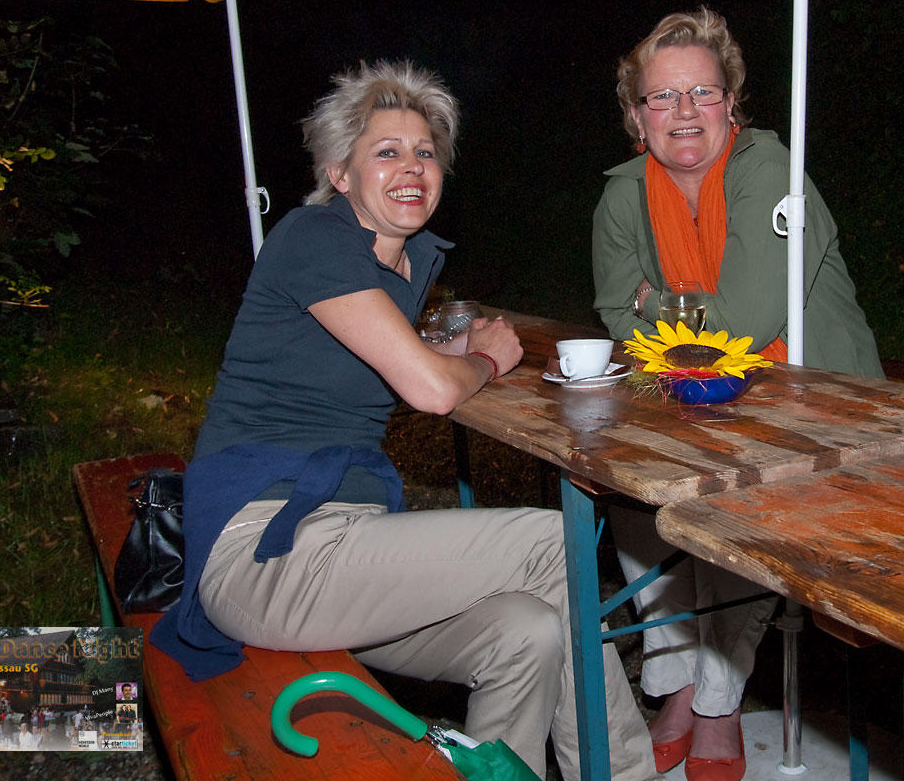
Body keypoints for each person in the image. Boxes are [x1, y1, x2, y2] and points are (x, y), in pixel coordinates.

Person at [152, 60, 656, 781]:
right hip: (267, 555)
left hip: (341, 547)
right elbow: (431, 391)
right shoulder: (312, 235)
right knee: (553, 543)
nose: (413, 166)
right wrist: (480, 360)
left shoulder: (401, 261)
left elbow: (376, 360)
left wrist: (447, 352)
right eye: (386, 151)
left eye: (426, 152)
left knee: (531, 631)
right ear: (340, 173)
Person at [592, 8, 883, 781]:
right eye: (663, 97)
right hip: (693, 390)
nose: (684, 110)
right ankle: (677, 681)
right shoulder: (624, 195)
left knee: (726, 495)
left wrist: (660, 303)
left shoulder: (770, 172)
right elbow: (615, 313)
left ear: (731, 104)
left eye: (703, 92)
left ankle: (718, 702)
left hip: (822, 397)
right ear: (636, 117)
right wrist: (674, 316)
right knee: (630, 490)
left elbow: (746, 323)